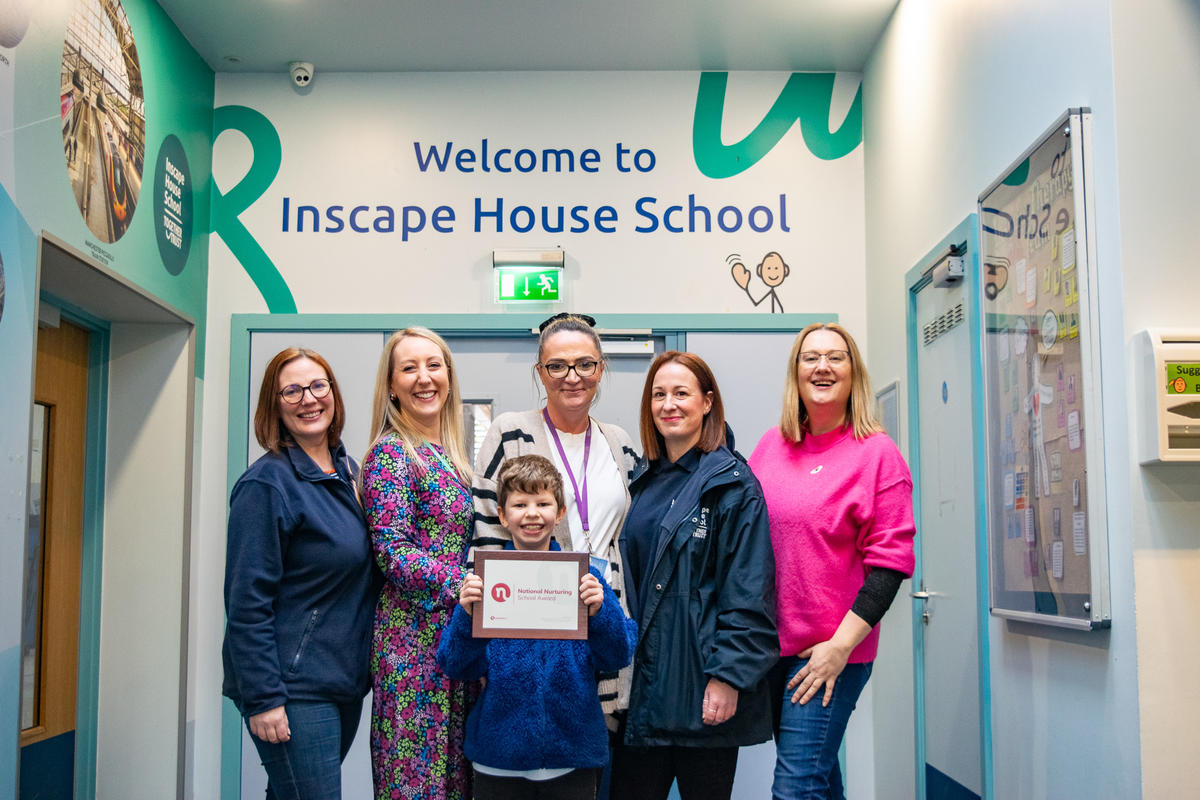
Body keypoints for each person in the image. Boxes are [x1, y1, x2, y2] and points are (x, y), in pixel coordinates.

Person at [749, 323, 915, 800]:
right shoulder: (771, 447)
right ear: (796, 374)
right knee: (818, 780)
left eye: (835, 357)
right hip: (775, 650)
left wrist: (839, 649)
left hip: (831, 654)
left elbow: (891, 565)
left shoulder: (877, 454)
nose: (822, 366)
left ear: (853, 372)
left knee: (795, 789)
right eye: (810, 357)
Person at [611, 351, 778, 800]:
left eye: (681, 393)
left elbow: (749, 588)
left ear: (707, 402)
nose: (669, 404)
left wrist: (728, 676)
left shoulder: (733, 485)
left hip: (701, 686)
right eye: (659, 394)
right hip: (643, 691)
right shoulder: (642, 479)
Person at [223, 347, 380, 799]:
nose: (308, 399)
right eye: (291, 391)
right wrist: (264, 697)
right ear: (274, 405)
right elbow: (246, 603)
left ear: (333, 394)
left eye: (317, 386)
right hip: (291, 688)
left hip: (342, 682)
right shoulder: (267, 485)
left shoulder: (349, 472)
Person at [438, 455, 637, 800]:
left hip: (571, 757)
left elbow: (618, 654)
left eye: (543, 503)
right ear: (502, 515)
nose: (532, 513)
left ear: (559, 512)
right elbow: (455, 664)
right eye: (520, 503)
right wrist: (465, 615)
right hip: (499, 759)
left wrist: (600, 612)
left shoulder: (586, 579)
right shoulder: (485, 582)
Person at [470, 312, 638, 720]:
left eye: (585, 364)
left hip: (600, 614)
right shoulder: (511, 433)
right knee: (535, 730)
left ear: (601, 368)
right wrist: (494, 639)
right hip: (530, 621)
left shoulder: (619, 443)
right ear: (540, 373)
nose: (572, 376)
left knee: (596, 753)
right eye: (557, 366)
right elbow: (488, 534)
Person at [360, 327, 477, 800]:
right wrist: (468, 585)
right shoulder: (392, 453)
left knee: (454, 783)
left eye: (434, 364)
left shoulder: (451, 456)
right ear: (391, 385)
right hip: (413, 650)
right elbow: (393, 550)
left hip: (455, 643)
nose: (424, 378)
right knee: (418, 786)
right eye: (409, 368)